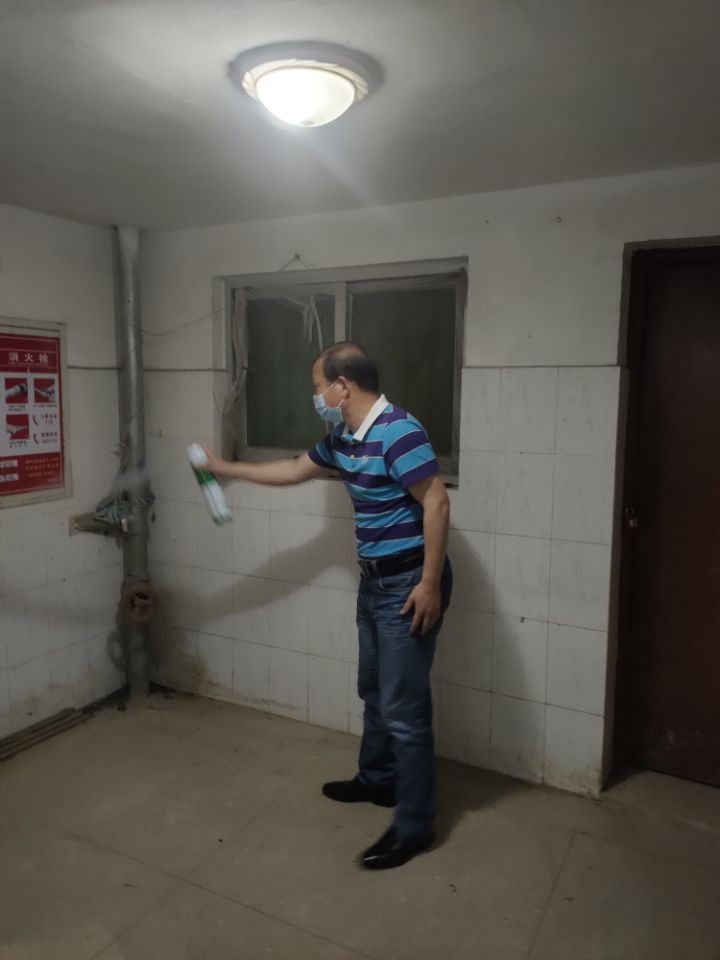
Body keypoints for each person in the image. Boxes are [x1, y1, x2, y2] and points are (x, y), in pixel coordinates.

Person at [203, 342, 452, 869]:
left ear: (343, 385)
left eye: (318, 387)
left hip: (410, 582)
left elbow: (436, 501)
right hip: (375, 581)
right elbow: (294, 469)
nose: (315, 396)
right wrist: (224, 467)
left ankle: (414, 827)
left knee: (405, 710)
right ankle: (378, 780)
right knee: (373, 689)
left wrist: (429, 583)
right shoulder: (345, 437)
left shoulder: (398, 431)